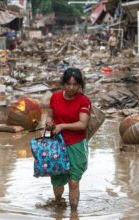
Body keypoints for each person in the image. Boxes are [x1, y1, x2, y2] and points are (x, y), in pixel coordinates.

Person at [46, 67, 91, 211]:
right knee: (57, 180)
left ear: (79, 85)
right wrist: (48, 123)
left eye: (75, 85)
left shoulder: (84, 101)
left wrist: (62, 126)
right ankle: (58, 203)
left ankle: (74, 212)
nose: (72, 88)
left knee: (74, 181)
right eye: (68, 84)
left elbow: (83, 124)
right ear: (63, 84)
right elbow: (49, 116)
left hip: (76, 145)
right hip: (57, 145)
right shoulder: (55, 97)